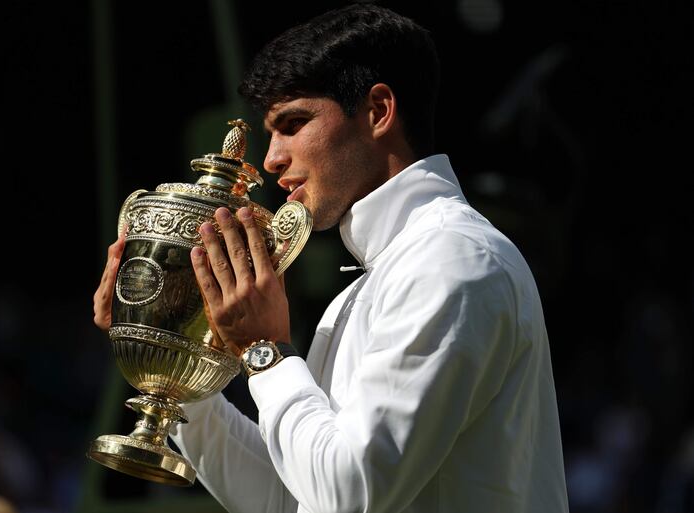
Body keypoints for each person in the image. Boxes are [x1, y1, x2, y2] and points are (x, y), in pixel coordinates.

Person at [93, 4, 569, 512]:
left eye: (294, 123)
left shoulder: (453, 261)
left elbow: (351, 494)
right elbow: (289, 499)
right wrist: (178, 365)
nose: (272, 159)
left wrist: (263, 350)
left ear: (378, 111)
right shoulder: (368, 285)